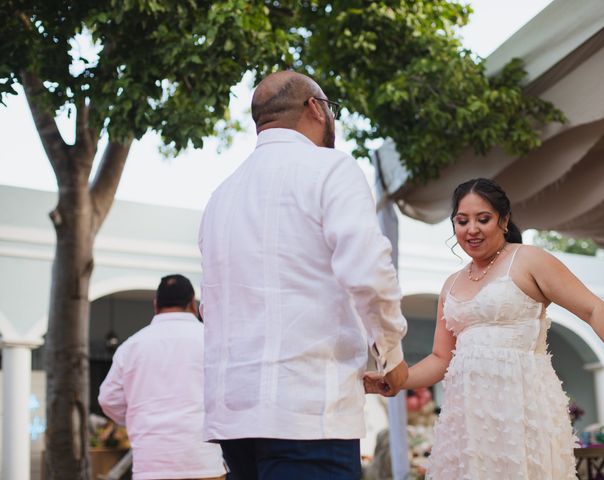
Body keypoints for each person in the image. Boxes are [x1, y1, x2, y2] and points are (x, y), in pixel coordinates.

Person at [198, 71, 408, 480]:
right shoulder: (330, 168)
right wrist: (391, 354)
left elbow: (214, 306)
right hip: (308, 412)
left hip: (234, 419)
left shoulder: (221, 196)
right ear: (316, 108)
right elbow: (367, 269)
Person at [365, 177, 604, 479]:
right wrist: (396, 380)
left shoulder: (528, 260)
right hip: (468, 419)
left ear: (504, 220)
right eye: (462, 220)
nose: (472, 229)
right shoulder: (451, 285)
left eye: (483, 219)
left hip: (522, 410)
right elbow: (441, 359)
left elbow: (593, 308)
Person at [98, 274, 226, 480]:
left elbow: (108, 399)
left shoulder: (132, 346)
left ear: (156, 304)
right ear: (192, 304)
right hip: (203, 461)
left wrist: (135, 419)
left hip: (151, 464)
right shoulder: (212, 340)